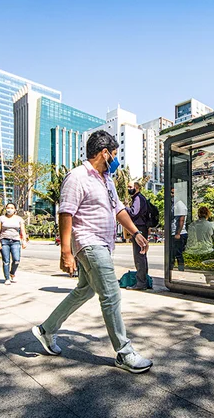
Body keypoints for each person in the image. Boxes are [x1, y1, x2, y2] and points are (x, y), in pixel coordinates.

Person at [31, 130, 153, 373]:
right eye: (115, 154)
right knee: (111, 294)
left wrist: (136, 232)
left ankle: (46, 330)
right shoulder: (77, 177)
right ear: (104, 152)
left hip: (104, 243)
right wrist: (65, 252)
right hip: (88, 242)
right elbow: (66, 213)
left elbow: (118, 209)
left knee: (83, 291)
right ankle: (124, 352)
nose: (116, 160)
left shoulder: (106, 178)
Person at [185, 206, 214, 286]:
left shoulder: (192, 225)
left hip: (192, 253)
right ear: (208, 214)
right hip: (206, 253)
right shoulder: (211, 225)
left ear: (198, 214)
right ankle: (213, 280)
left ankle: (209, 278)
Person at [125, 181, 150, 290]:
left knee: (139, 255)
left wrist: (124, 208)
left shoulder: (138, 198)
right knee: (142, 255)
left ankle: (141, 282)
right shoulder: (139, 198)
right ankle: (143, 281)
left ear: (136, 187)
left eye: (130, 187)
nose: (128, 189)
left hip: (139, 228)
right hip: (141, 227)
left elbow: (134, 212)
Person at [0, 203, 27, 285]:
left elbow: (23, 230)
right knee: (6, 260)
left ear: (15, 209)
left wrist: (24, 240)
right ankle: (7, 278)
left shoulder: (19, 219)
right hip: (4, 240)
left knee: (16, 260)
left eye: (12, 208)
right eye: (8, 208)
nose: (10, 209)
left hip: (15, 241)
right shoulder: (1, 219)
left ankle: (12, 273)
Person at [170, 188, 188, 271]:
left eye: (173, 193)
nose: (171, 195)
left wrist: (178, 233)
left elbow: (181, 220)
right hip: (174, 232)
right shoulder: (174, 204)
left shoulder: (180, 205)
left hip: (178, 234)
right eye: (171, 193)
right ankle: (171, 268)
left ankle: (181, 269)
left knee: (178, 253)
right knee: (172, 253)